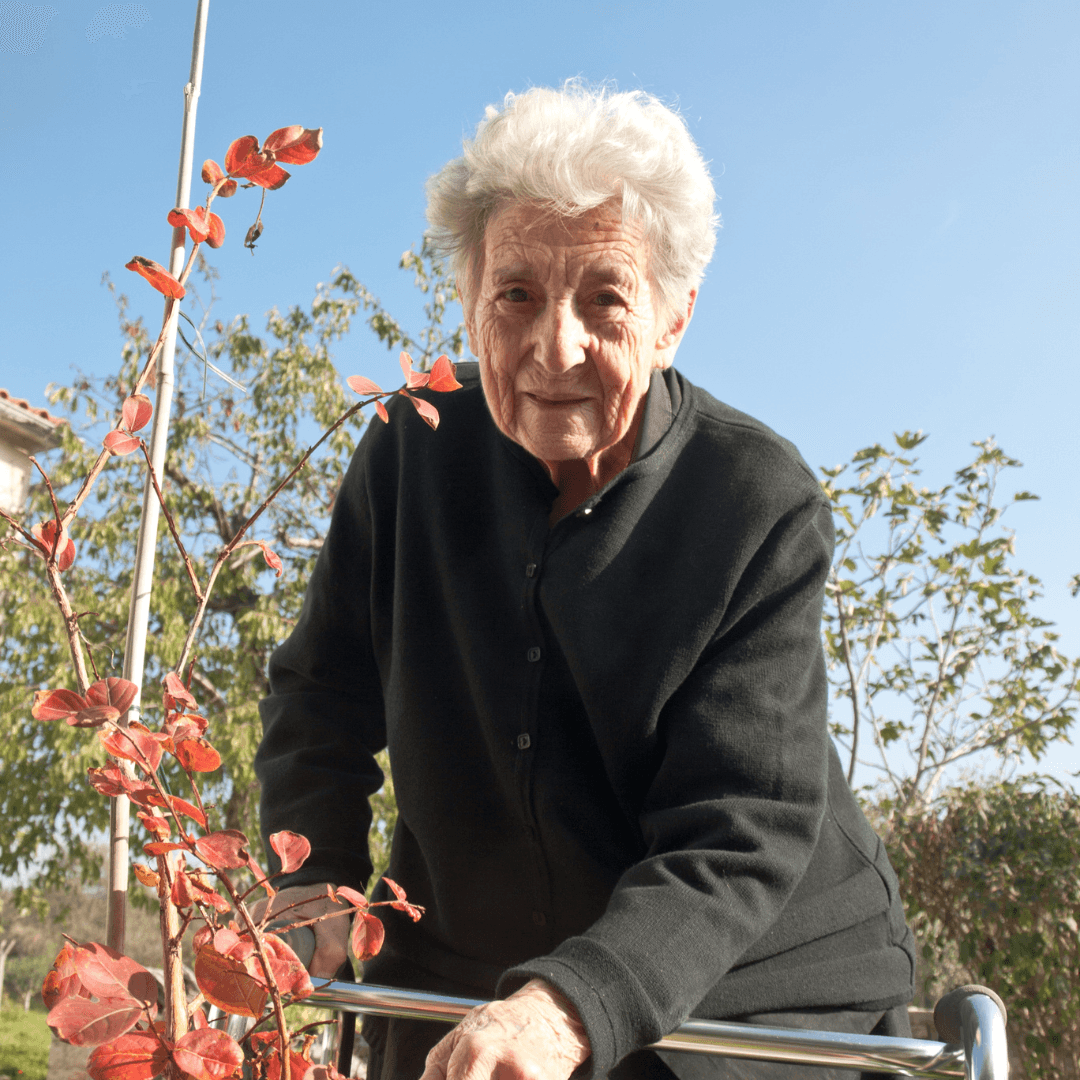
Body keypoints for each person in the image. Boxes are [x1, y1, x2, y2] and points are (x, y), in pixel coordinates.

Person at [255, 84, 916, 1080]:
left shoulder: (756, 500)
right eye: (516, 293)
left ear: (672, 319)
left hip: (743, 982)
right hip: (461, 961)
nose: (553, 346)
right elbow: (320, 698)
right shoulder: (407, 452)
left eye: (605, 298)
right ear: (470, 301)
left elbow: (741, 824)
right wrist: (315, 885)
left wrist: (569, 1007)